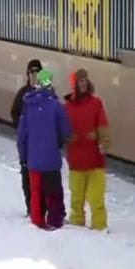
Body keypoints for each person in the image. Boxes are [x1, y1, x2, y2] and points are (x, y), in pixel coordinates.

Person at [17, 69, 71, 230]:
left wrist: (23, 156)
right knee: (53, 194)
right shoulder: (56, 106)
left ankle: (37, 221)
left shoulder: (28, 106)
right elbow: (65, 131)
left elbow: (22, 135)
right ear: (50, 83)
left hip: (33, 161)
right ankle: (55, 222)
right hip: (50, 160)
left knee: (36, 193)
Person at [64, 68, 110, 231]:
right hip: (76, 162)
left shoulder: (96, 103)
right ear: (74, 85)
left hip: (95, 160)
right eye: (79, 81)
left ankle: (100, 226)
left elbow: (103, 125)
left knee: (96, 198)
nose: (83, 84)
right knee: (76, 198)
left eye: (84, 80)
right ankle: (77, 224)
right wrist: (68, 139)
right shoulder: (66, 108)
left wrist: (103, 141)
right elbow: (62, 132)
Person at [10, 59, 44, 216]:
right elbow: (14, 113)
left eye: (37, 72)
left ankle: (42, 209)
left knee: (43, 179)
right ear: (27, 74)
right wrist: (24, 127)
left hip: (43, 144)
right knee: (27, 178)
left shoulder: (47, 94)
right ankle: (31, 209)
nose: (34, 75)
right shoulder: (23, 94)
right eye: (32, 72)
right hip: (27, 145)